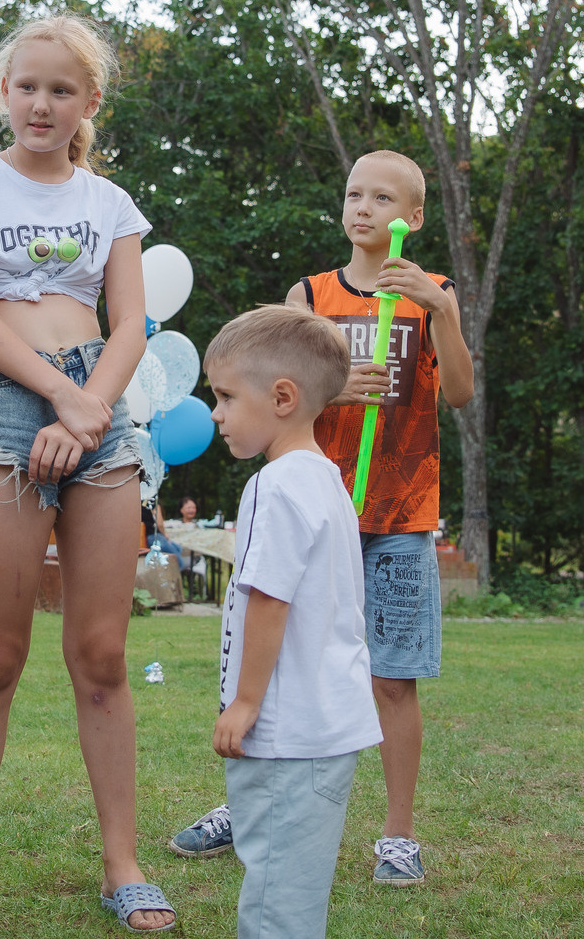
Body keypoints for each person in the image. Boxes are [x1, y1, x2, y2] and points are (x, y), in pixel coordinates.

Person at [0, 16, 168, 939]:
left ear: (88, 104)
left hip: (100, 406)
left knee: (102, 655)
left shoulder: (111, 202)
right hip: (3, 403)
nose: (42, 103)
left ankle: (123, 863)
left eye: (63, 90)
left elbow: (132, 322)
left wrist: (91, 408)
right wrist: (64, 399)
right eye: (27, 86)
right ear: (1, 92)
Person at [168, 150, 473, 885]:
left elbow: (458, 394)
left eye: (382, 197)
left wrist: (445, 312)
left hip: (401, 512)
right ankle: (251, 801)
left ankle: (397, 835)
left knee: (393, 676)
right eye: (353, 193)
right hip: (319, 509)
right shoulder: (308, 294)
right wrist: (338, 392)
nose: (362, 207)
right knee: (277, 659)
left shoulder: (433, 294)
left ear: (415, 217)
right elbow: (278, 387)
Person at [184, 305, 382, 939]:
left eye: (227, 396)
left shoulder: (278, 485)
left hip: (292, 723)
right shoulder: (319, 477)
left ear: (283, 397)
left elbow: (269, 598)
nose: (216, 413)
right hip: (317, 719)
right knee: (283, 859)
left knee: (278, 863)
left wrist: (245, 702)